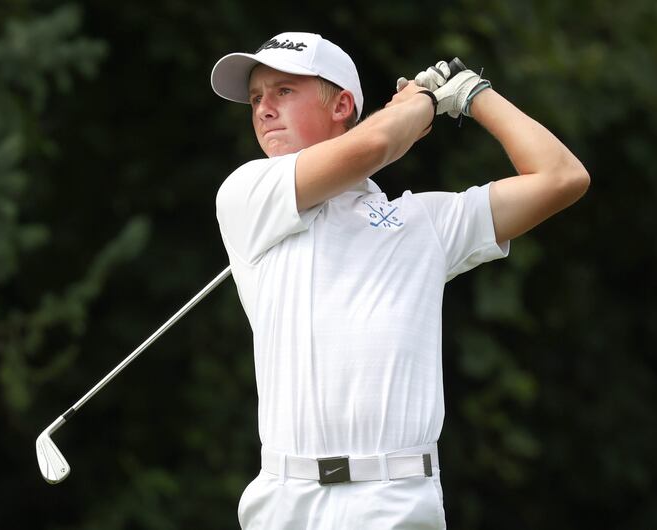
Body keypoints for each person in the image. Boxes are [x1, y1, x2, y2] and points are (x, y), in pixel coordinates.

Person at [210, 31, 589, 529]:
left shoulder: (422, 222)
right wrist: (424, 103)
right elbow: (375, 143)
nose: (263, 109)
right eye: (256, 98)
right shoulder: (247, 193)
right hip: (284, 502)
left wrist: (474, 94)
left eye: (284, 91)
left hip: (395, 503)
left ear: (342, 103)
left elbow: (562, 177)